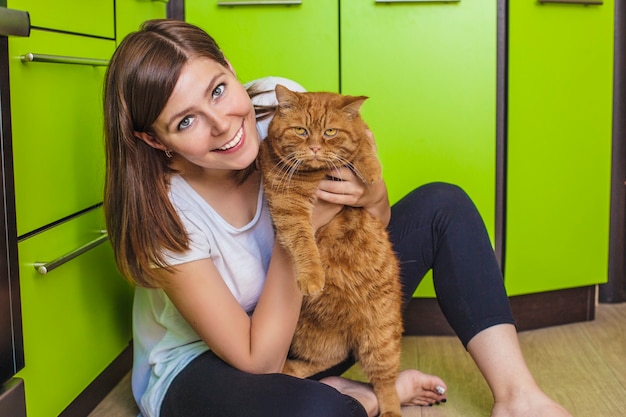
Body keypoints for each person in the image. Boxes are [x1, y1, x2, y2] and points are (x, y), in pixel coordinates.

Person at [103, 19, 573, 417]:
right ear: (154, 141)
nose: (222, 124)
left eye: (219, 90)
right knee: (317, 412)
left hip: (308, 327)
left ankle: (518, 395)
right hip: (217, 368)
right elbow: (257, 360)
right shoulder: (165, 215)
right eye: (186, 121)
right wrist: (302, 230)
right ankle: (360, 396)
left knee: (443, 206)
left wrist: (372, 194)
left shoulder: (283, 107)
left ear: (228, 64)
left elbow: (376, 228)